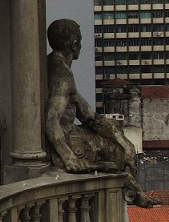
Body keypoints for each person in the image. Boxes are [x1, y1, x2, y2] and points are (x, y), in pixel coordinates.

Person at [45, 18, 157, 207]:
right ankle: (130, 193)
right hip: (67, 139)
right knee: (114, 150)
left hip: (70, 131)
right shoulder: (63, 75)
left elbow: (89, 115)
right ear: (74, 43)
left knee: (115, 130)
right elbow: (51, 118)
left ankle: (135, 190)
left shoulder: (57, 66)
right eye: (79, 40)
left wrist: (124, 142)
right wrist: (69, 157)